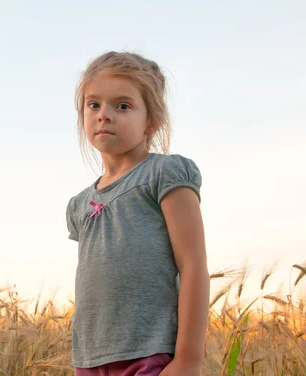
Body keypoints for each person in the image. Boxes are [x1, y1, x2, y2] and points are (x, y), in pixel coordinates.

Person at [66, 51, 210, 376]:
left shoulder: (164, 175)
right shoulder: (79, 205)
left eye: (123, 105)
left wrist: (188, 360)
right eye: (94, 104)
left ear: (152, 121)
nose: (104, 114)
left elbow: (194, 266)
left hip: (149, 355)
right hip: (90, 360)